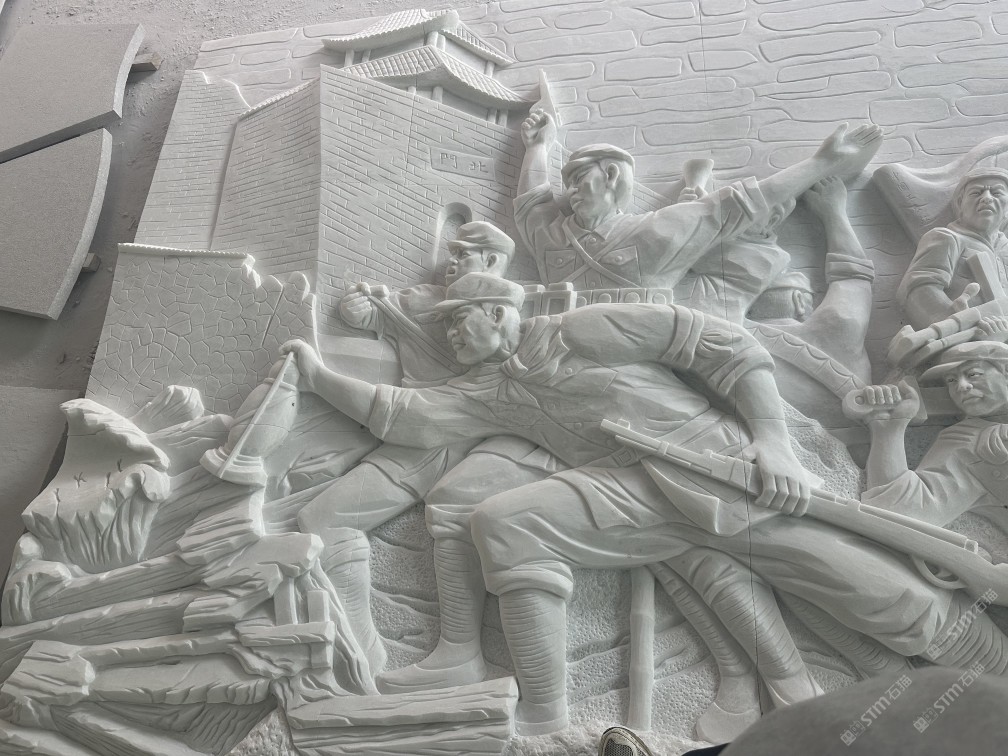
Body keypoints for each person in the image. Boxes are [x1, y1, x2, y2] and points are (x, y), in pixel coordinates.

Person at [282, 273, 1000, 735]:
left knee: (878, 595)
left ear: (496, 312)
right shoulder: (488, 388)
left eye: (456, 322)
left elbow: (727, 348)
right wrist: (316, 374)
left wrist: (773, 442)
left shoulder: (581, 330)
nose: (449, 335)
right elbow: (406, 418)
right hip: (629, 490)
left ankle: (989, 669)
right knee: (505, 520)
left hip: (722, 471)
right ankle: (544, 712)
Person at [294, 221, 514, 677]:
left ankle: (370, 656)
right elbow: (369, 315)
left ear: (492, 263)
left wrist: (316, 377)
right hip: (410, 436)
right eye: (450, 252)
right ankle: (360, 650)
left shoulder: (505, 346)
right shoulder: (422, 299)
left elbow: (410, 415)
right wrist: (360, 306)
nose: (450, 261)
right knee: (315, 508)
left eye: (463, 253)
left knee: (326, 518)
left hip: (433, 443)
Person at [514, 110, 881, 292]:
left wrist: (822, 163)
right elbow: (532, 202)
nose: (570, 192)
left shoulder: (654, 231)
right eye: (568, 185)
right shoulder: (552, 237)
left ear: (610, 176)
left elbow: (741, 204)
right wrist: (537, 147)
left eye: (579, 180)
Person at [898, 168, 1008, 330]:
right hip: (967, 338)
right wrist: (958, 320)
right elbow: (918, 290)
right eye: (976, 193)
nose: (986, 198)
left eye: (997, 193)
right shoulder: (946, 238)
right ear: (960, 204)